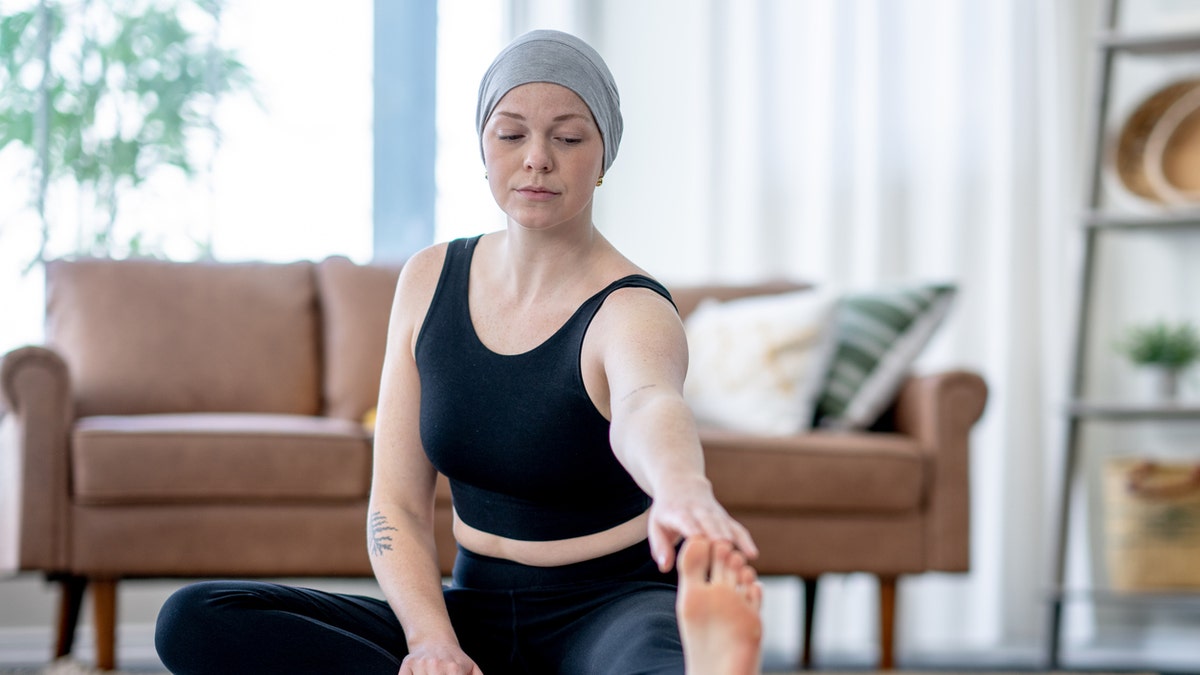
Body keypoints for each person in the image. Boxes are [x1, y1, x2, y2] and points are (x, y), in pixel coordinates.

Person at [155, 29, 763, 675]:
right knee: (199, 616)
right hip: (469, 607)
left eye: (568, 136)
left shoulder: (632, 306)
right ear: (482, 145)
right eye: (511, 134)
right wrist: (431, 642)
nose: (537, 158)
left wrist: (680, 488)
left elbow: (648, 403)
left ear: (604, 152)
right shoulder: (427, 278)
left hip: (611, 610)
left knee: (648, 664)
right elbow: (397, 503)